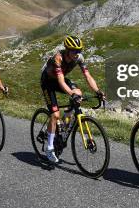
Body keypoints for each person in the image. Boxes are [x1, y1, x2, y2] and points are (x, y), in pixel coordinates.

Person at [40, 35, 105, 163]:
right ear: (67, 49)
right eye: (74, 51)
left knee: (78, 92)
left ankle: (65, 122)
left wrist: (97, 91)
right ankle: (49, 147)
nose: (77, 54)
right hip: (48, 82)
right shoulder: (57, 59)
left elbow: (88, 76)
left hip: (61, 80)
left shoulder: (79, 58)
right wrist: (71, 94)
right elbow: (60, 81)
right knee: (55, 114)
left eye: (79, 51)